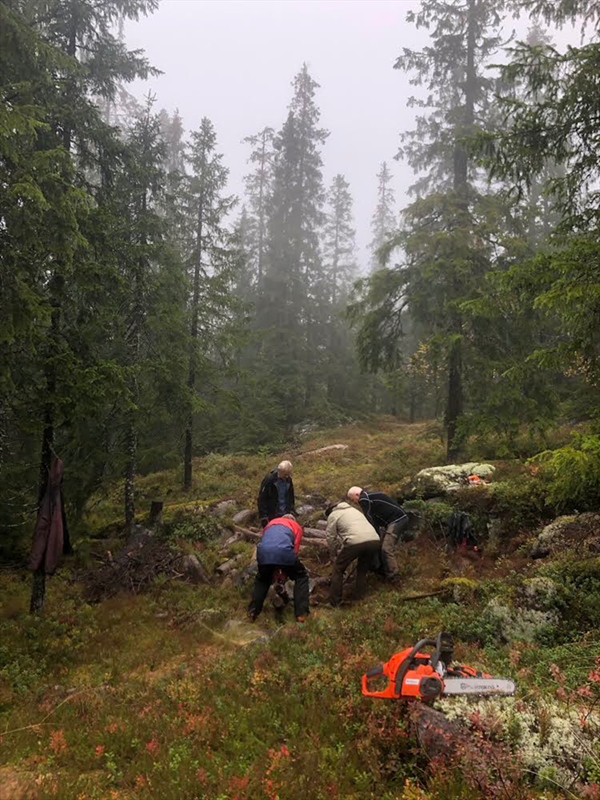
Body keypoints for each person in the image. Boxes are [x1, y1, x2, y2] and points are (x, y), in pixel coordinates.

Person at [248, 515, 309, 623]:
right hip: (284, 553)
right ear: (293, 520)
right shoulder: (296, 526)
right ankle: (301, 614)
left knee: (262, 580)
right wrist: (286, 571)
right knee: (301, 576)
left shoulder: (271, 523)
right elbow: (294, 551)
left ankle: (252, 612)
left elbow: (266, 541)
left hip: (263, 553)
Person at [347, 486, 410, 582]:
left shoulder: (364, 499)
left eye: (353, 499)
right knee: (382, 546)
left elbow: (369, 519)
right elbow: (375, 521)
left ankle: (394, 577)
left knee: (386, 548)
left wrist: (372, 535)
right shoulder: (371, 496)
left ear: (357, 495)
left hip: (397, 520)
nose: (355, 502)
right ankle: (386, 572)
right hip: (399, 518)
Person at [325, 501, 381, 606]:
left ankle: (334, 602)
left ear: (331, 510)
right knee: (362, 570)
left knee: (338, 569)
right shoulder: (355, 511)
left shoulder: (334, 514)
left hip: (355, 542)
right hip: (374, 540)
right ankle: (360, 598)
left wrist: (333, 555)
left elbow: (330, 537)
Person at [257, 460, 295, 528]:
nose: (286, 476)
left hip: (285, 514)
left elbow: (291, 496)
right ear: (280, 471)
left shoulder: (288, 480)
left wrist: (291, 510)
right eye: (285, 474)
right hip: (272, 515)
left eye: (288, 474)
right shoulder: (269, 480)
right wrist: (263, 516)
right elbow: (262, 499)